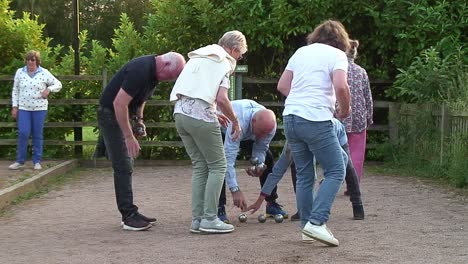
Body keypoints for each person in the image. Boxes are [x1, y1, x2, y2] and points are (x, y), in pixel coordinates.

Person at [277, 20, 351, 246]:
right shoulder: (337, 55)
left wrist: (301, 100)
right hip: (316, 119)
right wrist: (344, 110)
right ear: (341, 41)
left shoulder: (301, 52)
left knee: (305, 175)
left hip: (291, 118)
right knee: (337, 169)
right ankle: (317, 223)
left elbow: (282, 85)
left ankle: (305, 228)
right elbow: (340, 86)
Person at [98, 52, 186, 231]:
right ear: (166, 65)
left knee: (126, 163)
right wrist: (128, 136)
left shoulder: (154, 74)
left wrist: (139, 120)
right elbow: (118, 104)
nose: (168, 80)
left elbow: (141, 99)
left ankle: (130, 212)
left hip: (120, 114)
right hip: (110, 114)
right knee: (123, 164)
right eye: (170, 76)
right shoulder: (140, 69)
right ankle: (128, 216)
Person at [170, 30, 245, 234]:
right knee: (218, 166)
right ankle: (210, 218)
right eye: (240, 54)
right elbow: (221, 98)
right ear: (233, 49)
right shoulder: (224, 62)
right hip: (200, 118)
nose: (239, 59)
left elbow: (198, 93)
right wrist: (235, 120)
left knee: (200, 166)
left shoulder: (198, 57)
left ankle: (197, 219)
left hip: (180, 115)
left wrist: (214, 113)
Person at [245, 118, 365, 222]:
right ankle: (304, 210)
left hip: (335, 133)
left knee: (348, 167)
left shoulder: (321, 138)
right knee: (302, 171)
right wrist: (260, 200)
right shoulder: (292, 145)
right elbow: (277, 172)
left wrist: (327, 183)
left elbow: (342, 163)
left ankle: (357, 204)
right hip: (312, 136)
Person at [217, 99, 288, 224]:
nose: (262, 136)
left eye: (266, 134)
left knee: (268, 158)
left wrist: (258, 165)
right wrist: (235, 190)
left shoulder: (269, 127)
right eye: (260, 132)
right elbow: (228, 161)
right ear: (253, 121)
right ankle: (219, 208)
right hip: (222, 129)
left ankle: (271, 203)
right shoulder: (239, 122)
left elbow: (261, 147)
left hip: (247, 134)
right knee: (219, 162)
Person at [9, 50, 62, 171]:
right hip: (24, 108)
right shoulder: (20, 72)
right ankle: (20, 160)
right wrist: (14, 106)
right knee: (23, 133)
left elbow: (58, 84)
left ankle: (37, 161)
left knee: (37, 134)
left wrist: (49, 89)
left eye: (33, 60)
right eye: (28, 59)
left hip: (39, 108)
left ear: (37, 61)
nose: (30, 62)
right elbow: (15, 90)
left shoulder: (44, 73)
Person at [343, 39, 373, 182]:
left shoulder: (337, 70)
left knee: (336, 150)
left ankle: (333, 179)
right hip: (358, 117)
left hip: (339, 115)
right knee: (356, 152)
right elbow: (368, 97)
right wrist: (369, 117)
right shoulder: (361, 72)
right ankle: (353, 183)